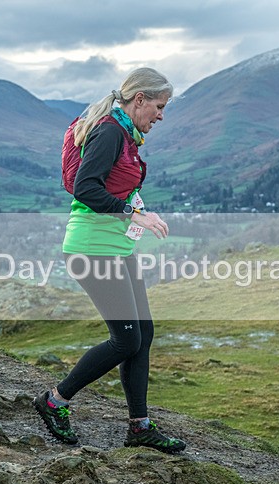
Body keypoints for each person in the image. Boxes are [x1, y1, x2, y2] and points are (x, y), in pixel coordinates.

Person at [33, 67, 186, 453]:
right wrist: (135, 214)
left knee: (143, 334)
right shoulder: (110, 131)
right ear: (139, 100)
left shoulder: (126, 133)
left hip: (115, 248)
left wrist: (134, 210)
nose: (161, 115)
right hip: (92, 249)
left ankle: (140, 427)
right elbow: (85, 188)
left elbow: (112, 186)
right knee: (126, 340)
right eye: (159, 106)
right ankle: (55, 400)